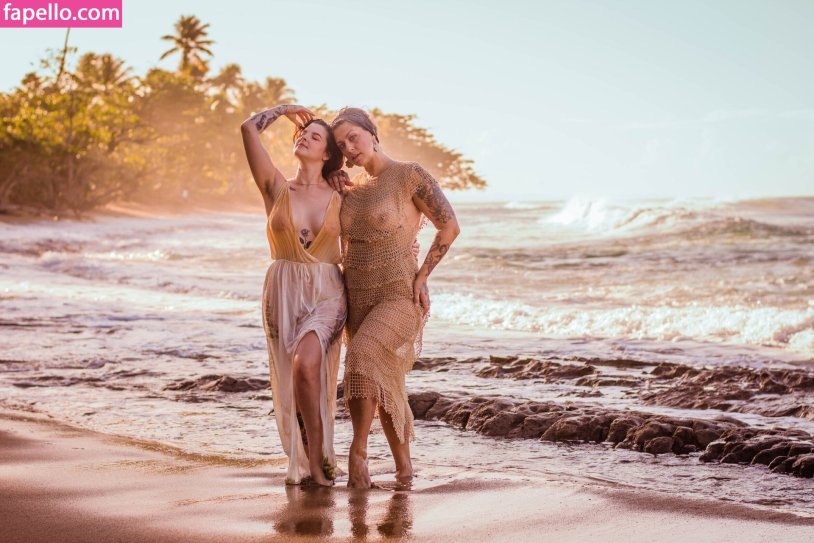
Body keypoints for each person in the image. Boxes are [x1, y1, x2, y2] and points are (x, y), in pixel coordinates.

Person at [329, 107, 461, 488]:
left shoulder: (408, 175)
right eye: (341, 145)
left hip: (400, 295)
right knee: (384, 381)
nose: (350, 148)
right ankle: (404, 471)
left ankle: (357, 453)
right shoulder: (348, 190)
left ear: (372, 132)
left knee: (363, 357)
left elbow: (449, 226)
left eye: (354, 136)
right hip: (357, 297)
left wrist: (423, 276)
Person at [241, 104, 345, 486]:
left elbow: (375, 234)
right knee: (294, 379)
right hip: (281, 291)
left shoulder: (342, 197)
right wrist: (285, 110)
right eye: (303, 134)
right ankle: (313, 459)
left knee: (305, 364)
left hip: (328, 293)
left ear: (328, 154)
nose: (304, 137)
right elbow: (248, 128)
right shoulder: (276, 186)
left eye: (315, 136)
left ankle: (317, 466)